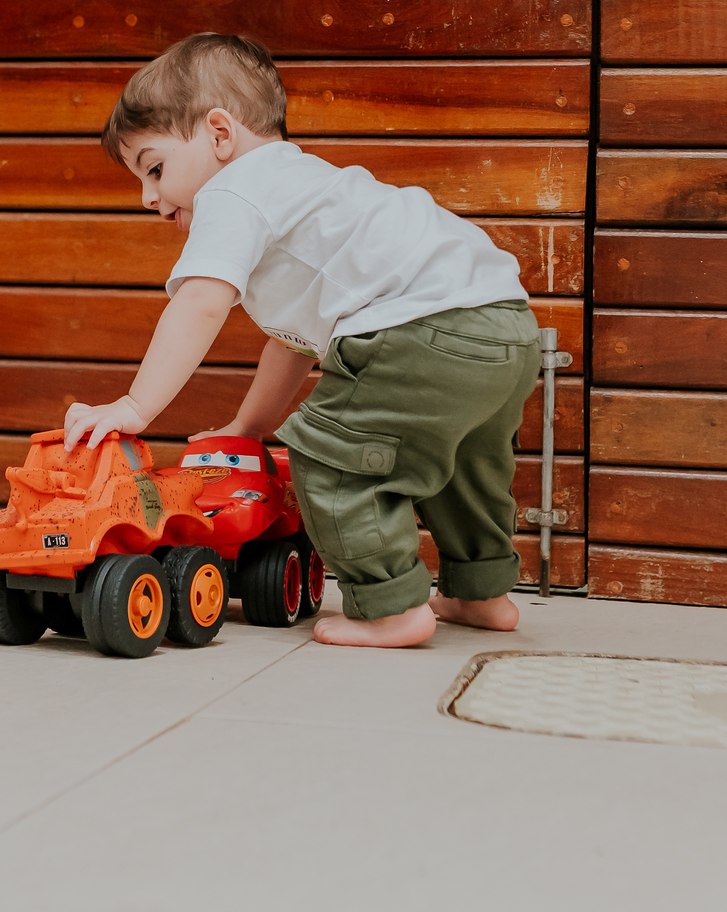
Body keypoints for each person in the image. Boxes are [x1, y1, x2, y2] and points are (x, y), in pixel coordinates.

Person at [62, 34, 543, 648]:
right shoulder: (310, 190)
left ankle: (391, 606)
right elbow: (292, 343)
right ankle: (482, 594)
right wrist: (248, 426)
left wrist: (134, 407)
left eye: (155, 168)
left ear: (219, 134)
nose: (149, 197)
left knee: (330, 455)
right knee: (463, 467)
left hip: (418, 329)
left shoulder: (233, 190)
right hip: (504, 324)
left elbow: (201, 304)